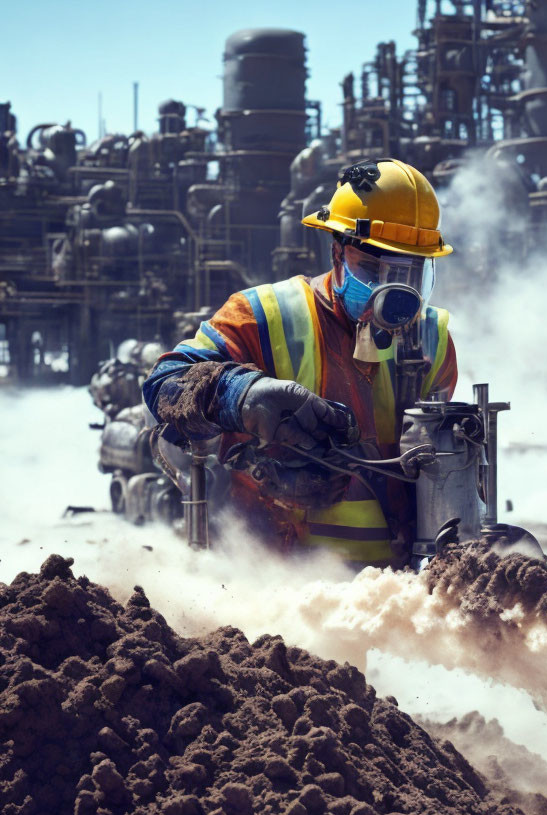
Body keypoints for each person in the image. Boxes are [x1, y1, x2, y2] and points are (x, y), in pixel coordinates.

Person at [142, 158, 457, 567]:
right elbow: (164, 386)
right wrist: (242, 394)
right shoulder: (264, 316)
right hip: (270, 585)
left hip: (389, 593)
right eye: (374, 269)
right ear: (337, 252)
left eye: (410, 273)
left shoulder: (432, 340)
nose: (392, 292)